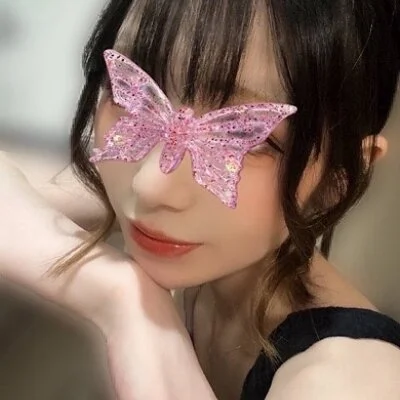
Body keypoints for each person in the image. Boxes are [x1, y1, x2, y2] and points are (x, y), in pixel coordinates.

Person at [1, 0, 400, 399]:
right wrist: (126, 296)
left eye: (243, 136)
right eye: (129, 95)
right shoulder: (200, 237)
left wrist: (130, 311)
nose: (149, 185)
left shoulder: (348, 381)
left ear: (337, 178)